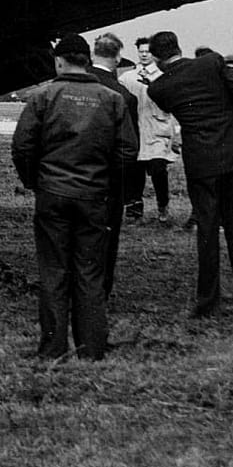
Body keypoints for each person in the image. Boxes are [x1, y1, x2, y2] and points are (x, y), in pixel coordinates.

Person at [11, 33, 138, 361]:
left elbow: (23, 146)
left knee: (54, 271)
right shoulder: (112, 99)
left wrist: (35, 182)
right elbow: (127, 151)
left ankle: (52, 347)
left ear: (59, 60)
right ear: (87, 60)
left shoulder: (43, 96)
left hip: (52, 193)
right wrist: (108, 186)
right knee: (90, 272)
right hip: (94, 196)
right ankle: (91, 347)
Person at [146, 29, 233, 318]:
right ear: (179, 47)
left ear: (158, 60)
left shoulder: (158, 88)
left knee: (207, 231)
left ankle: (208, 301)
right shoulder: (211, 63)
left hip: (201, 161)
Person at [88, 34, 139, 297]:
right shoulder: (123, 96)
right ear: (118, 57)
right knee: (106, 238)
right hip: (107, 183)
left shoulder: (60, 87)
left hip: (64, 182)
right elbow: (129, 149)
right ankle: (100, 290)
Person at [121, 41, 179, 224]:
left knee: (158, 169)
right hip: (136, 130)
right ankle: (134, 210)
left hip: (157, 130)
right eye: (141, 51)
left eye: (148, 51)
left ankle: (163, 206)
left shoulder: (164, 76)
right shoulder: (127, 77)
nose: (144, 55)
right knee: (134, 173)